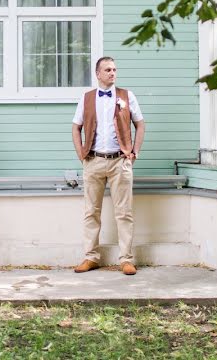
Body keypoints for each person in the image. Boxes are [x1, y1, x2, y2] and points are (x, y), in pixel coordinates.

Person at [71, 56, 146, 276]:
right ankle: (90, 257)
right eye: (107, 70)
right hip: (93, 161)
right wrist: (81, 154)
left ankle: (126, 259)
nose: (112, 73)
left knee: (124, 213)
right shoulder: (86, 98)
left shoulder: (126, 96)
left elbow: (140, 124)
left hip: (119, 162)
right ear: (98, 74)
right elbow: (76, 128)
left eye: (114, 69)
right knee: (91, 212)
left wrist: (134, 153)